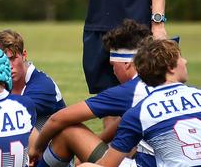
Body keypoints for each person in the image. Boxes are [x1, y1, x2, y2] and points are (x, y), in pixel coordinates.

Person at [77, 38, 201, 167]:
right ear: (170, 68)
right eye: (181, 58)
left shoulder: (139, 112)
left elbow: (107, 165)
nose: (186, 61)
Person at [29, 19, 155, 167]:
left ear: (127, 64)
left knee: (70, 132)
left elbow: (58, 119)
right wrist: (99, 139)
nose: (113, 72)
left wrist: (36, 149)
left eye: (113, 65)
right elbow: (127, 120)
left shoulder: (131, 90)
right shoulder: (164, 80)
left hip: (147, 163)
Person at [0, 29, 65, 131]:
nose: (9, 66)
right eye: (2, 61)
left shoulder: (43, 86)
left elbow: (12, 116)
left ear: (24, 55)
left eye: (13, 58)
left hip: (51, 144)